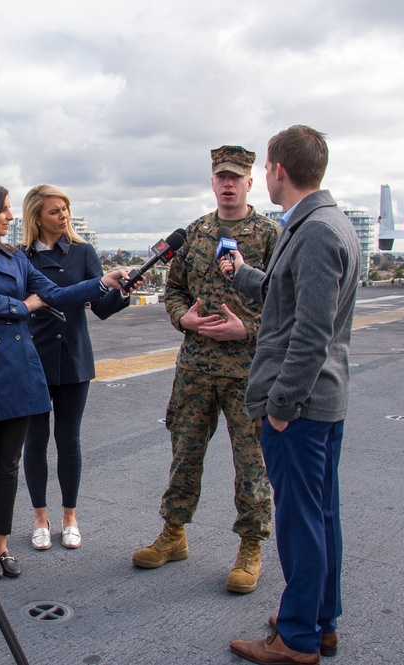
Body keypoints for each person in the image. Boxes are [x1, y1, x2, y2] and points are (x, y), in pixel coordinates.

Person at [0, 183, 132, 581]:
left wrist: (104, 283)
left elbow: (57, 295)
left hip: (21, 368)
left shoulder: (16, 259)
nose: (10, 217)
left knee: (9, 464)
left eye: (12, 210)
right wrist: (23, 306)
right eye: (4, 210)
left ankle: (3, 543)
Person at [223, 126, 360, 664]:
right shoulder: (320, 224)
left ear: (278, 169)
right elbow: (289, 293)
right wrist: (244, 276)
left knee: (301, 523)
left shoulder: (317, 232)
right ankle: (319, 620)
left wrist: (280, 407)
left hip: (299, 408)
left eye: (266, 167)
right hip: (320, 401)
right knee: (320, 515)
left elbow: (310, 331)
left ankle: (298, 639)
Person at [132, 146, 281, 595]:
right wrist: (185, 319)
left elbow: (285, 304)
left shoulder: (271, 236)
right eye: (221, 176)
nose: (228, 183)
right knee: (184, 454)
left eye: (236, 176)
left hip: (248, 371)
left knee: (252, 464)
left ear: (251, 182)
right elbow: (173, 291)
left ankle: (250, 546)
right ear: (213, 181)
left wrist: (248, 329)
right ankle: (173, 534)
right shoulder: (196, 235)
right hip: (195, 367)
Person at [20, 184, 131, 551]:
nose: (63, 216)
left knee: (68, 440)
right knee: (34, 442)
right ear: (36, 217)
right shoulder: (21, 257)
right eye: (54, 211)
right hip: (33, 360)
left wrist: (123, 292)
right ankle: (39, 517)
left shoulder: (84, 252)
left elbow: (101, 307)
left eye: (66, 208)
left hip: (73, 358)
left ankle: (69, 516)